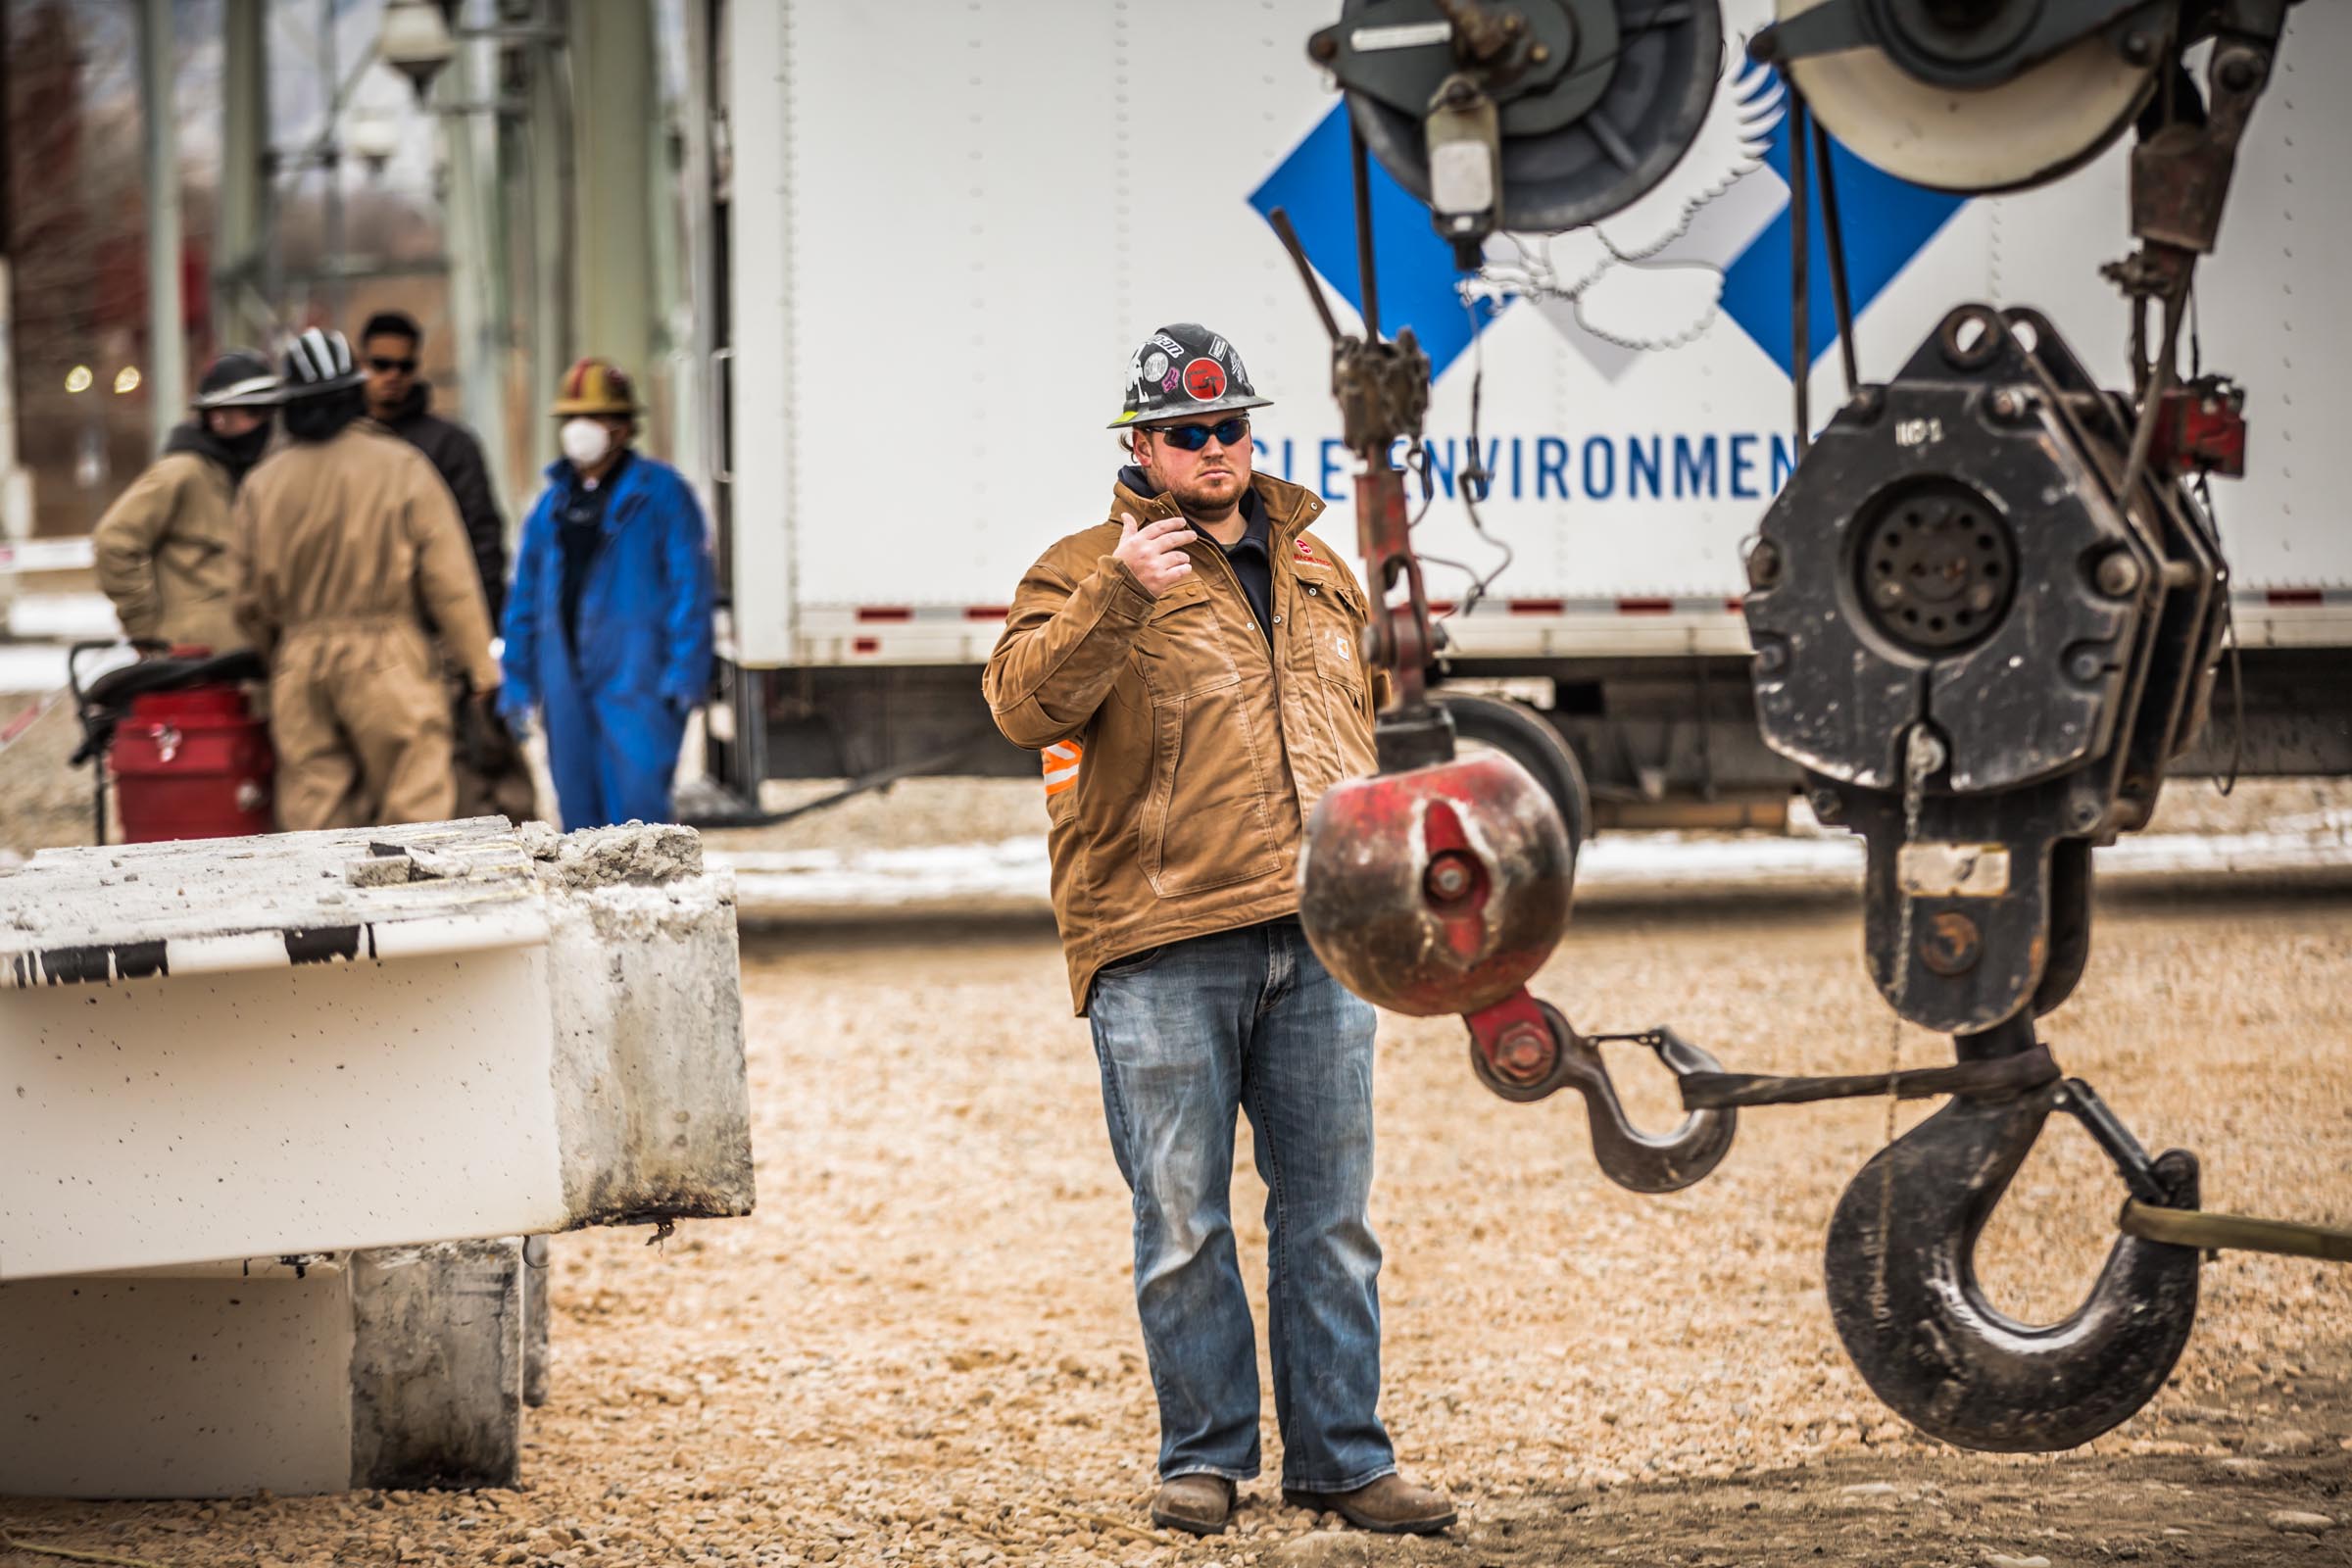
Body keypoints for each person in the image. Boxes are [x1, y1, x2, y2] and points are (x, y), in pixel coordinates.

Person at [982, 323, 1451, 1540]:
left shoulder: (1316, 569)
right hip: (1159, 937)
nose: (1213, 450)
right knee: (1183, 1222)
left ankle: (1346, 1461)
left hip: (1321, 932)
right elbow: (1022, 705)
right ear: (1140, 445)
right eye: (1187, 433)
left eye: (1231, 427)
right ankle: (1204, 1459)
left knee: (1332, 1217)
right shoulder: (1082, 566)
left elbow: (1360, 726)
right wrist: (1117, 598)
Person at [231, 327, 501, 831]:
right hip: (389, 658)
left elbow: (247, 598)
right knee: (413, 805)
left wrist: (281, 652)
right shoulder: (401, 466)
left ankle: (331, 909)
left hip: (300, 663)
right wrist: (479, 667)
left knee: (317, 812)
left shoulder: (262, 483)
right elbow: (449, 577)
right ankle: (407, 907)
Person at [499, 357, 713, 830]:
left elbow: (690, 589)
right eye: (572, 418)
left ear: (622, 427)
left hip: (636, 681)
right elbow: (525, 599)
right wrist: (517, 679)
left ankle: (650, 906)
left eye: (593, 417)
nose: (580, 429)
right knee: (578, 823)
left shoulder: (661, 495)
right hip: (564, 684)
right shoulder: (552, 504)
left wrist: (684, 674)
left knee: (638, 822)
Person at [358, 308, 534, 822]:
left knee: (454, 769)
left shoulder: (450, 445)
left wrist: (472, 641)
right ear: (360, 364)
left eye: (403, 366)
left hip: (434, 641)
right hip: (363, 638)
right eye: (380, 363)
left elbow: (482, 541)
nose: (392, 375)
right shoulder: (336, 448)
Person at [91, 350, 278, 655]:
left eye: (269, 412)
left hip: (248, 658)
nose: (265, 424)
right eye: (254, 412)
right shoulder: (182, 471)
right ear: (217, 416)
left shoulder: (251, 476)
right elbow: (114, 540)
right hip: (195, 664)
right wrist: (146, 630)